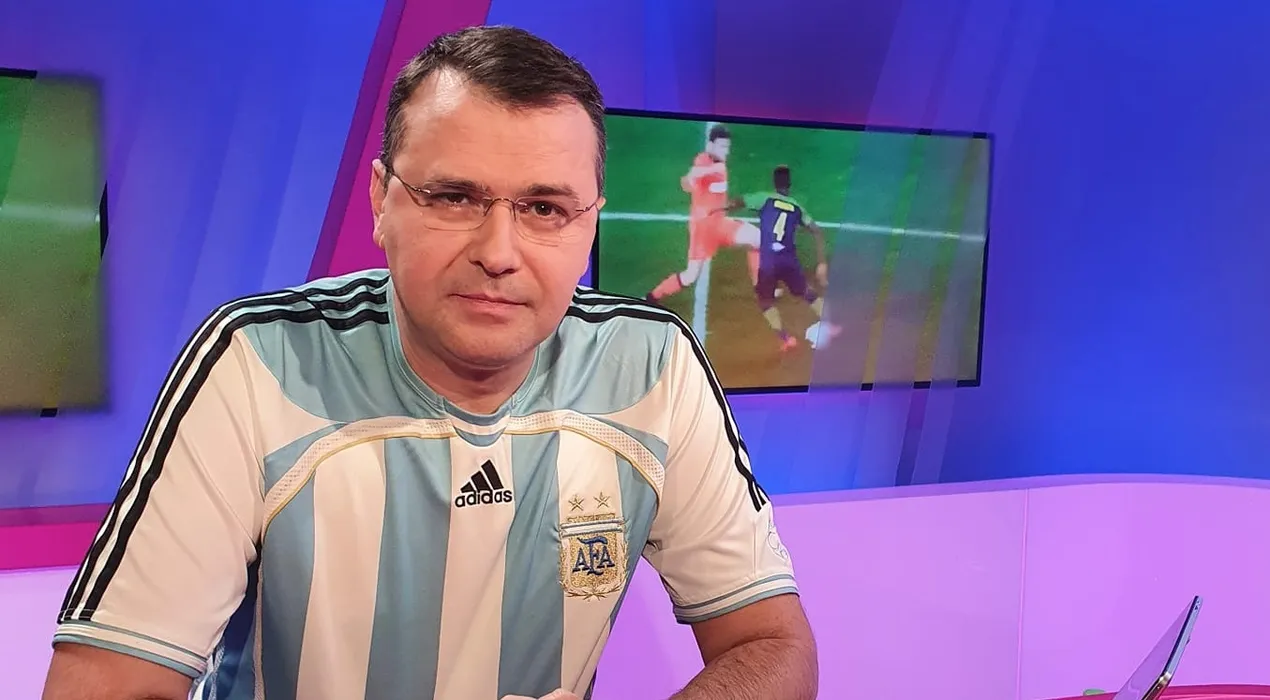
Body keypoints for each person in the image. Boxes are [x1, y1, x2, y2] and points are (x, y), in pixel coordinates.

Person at [41, 25, 817, 700]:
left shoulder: (654, 364)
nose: (499, 252)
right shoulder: (256, 362)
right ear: (381, 200)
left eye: (544, 208)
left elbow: (774, 645)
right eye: (454, 197)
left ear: (589, 226)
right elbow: (104, 687)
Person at [644, 124, 762, 303]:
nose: (725, 151)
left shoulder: (718, 163)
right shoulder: (703, 161)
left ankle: (760, 288)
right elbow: (690, 180)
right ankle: (651, 297)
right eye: (722, 146)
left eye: (727, 147)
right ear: (711, 146)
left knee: (757, 238)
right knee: (690, 276)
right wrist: (700, 174)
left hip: (720, 224)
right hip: (703, 230)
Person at [733, 165, 839, 351]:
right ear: (789, 185)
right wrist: (821, 263)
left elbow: (739, 201)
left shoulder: (764, 198)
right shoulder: (797, 207)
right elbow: (816, 231)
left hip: (769, 264)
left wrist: (722, 207)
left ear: (774, 183)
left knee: (765, 302)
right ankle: (831, 325)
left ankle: (786, 339)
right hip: (789, 261)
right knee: (807, 293)